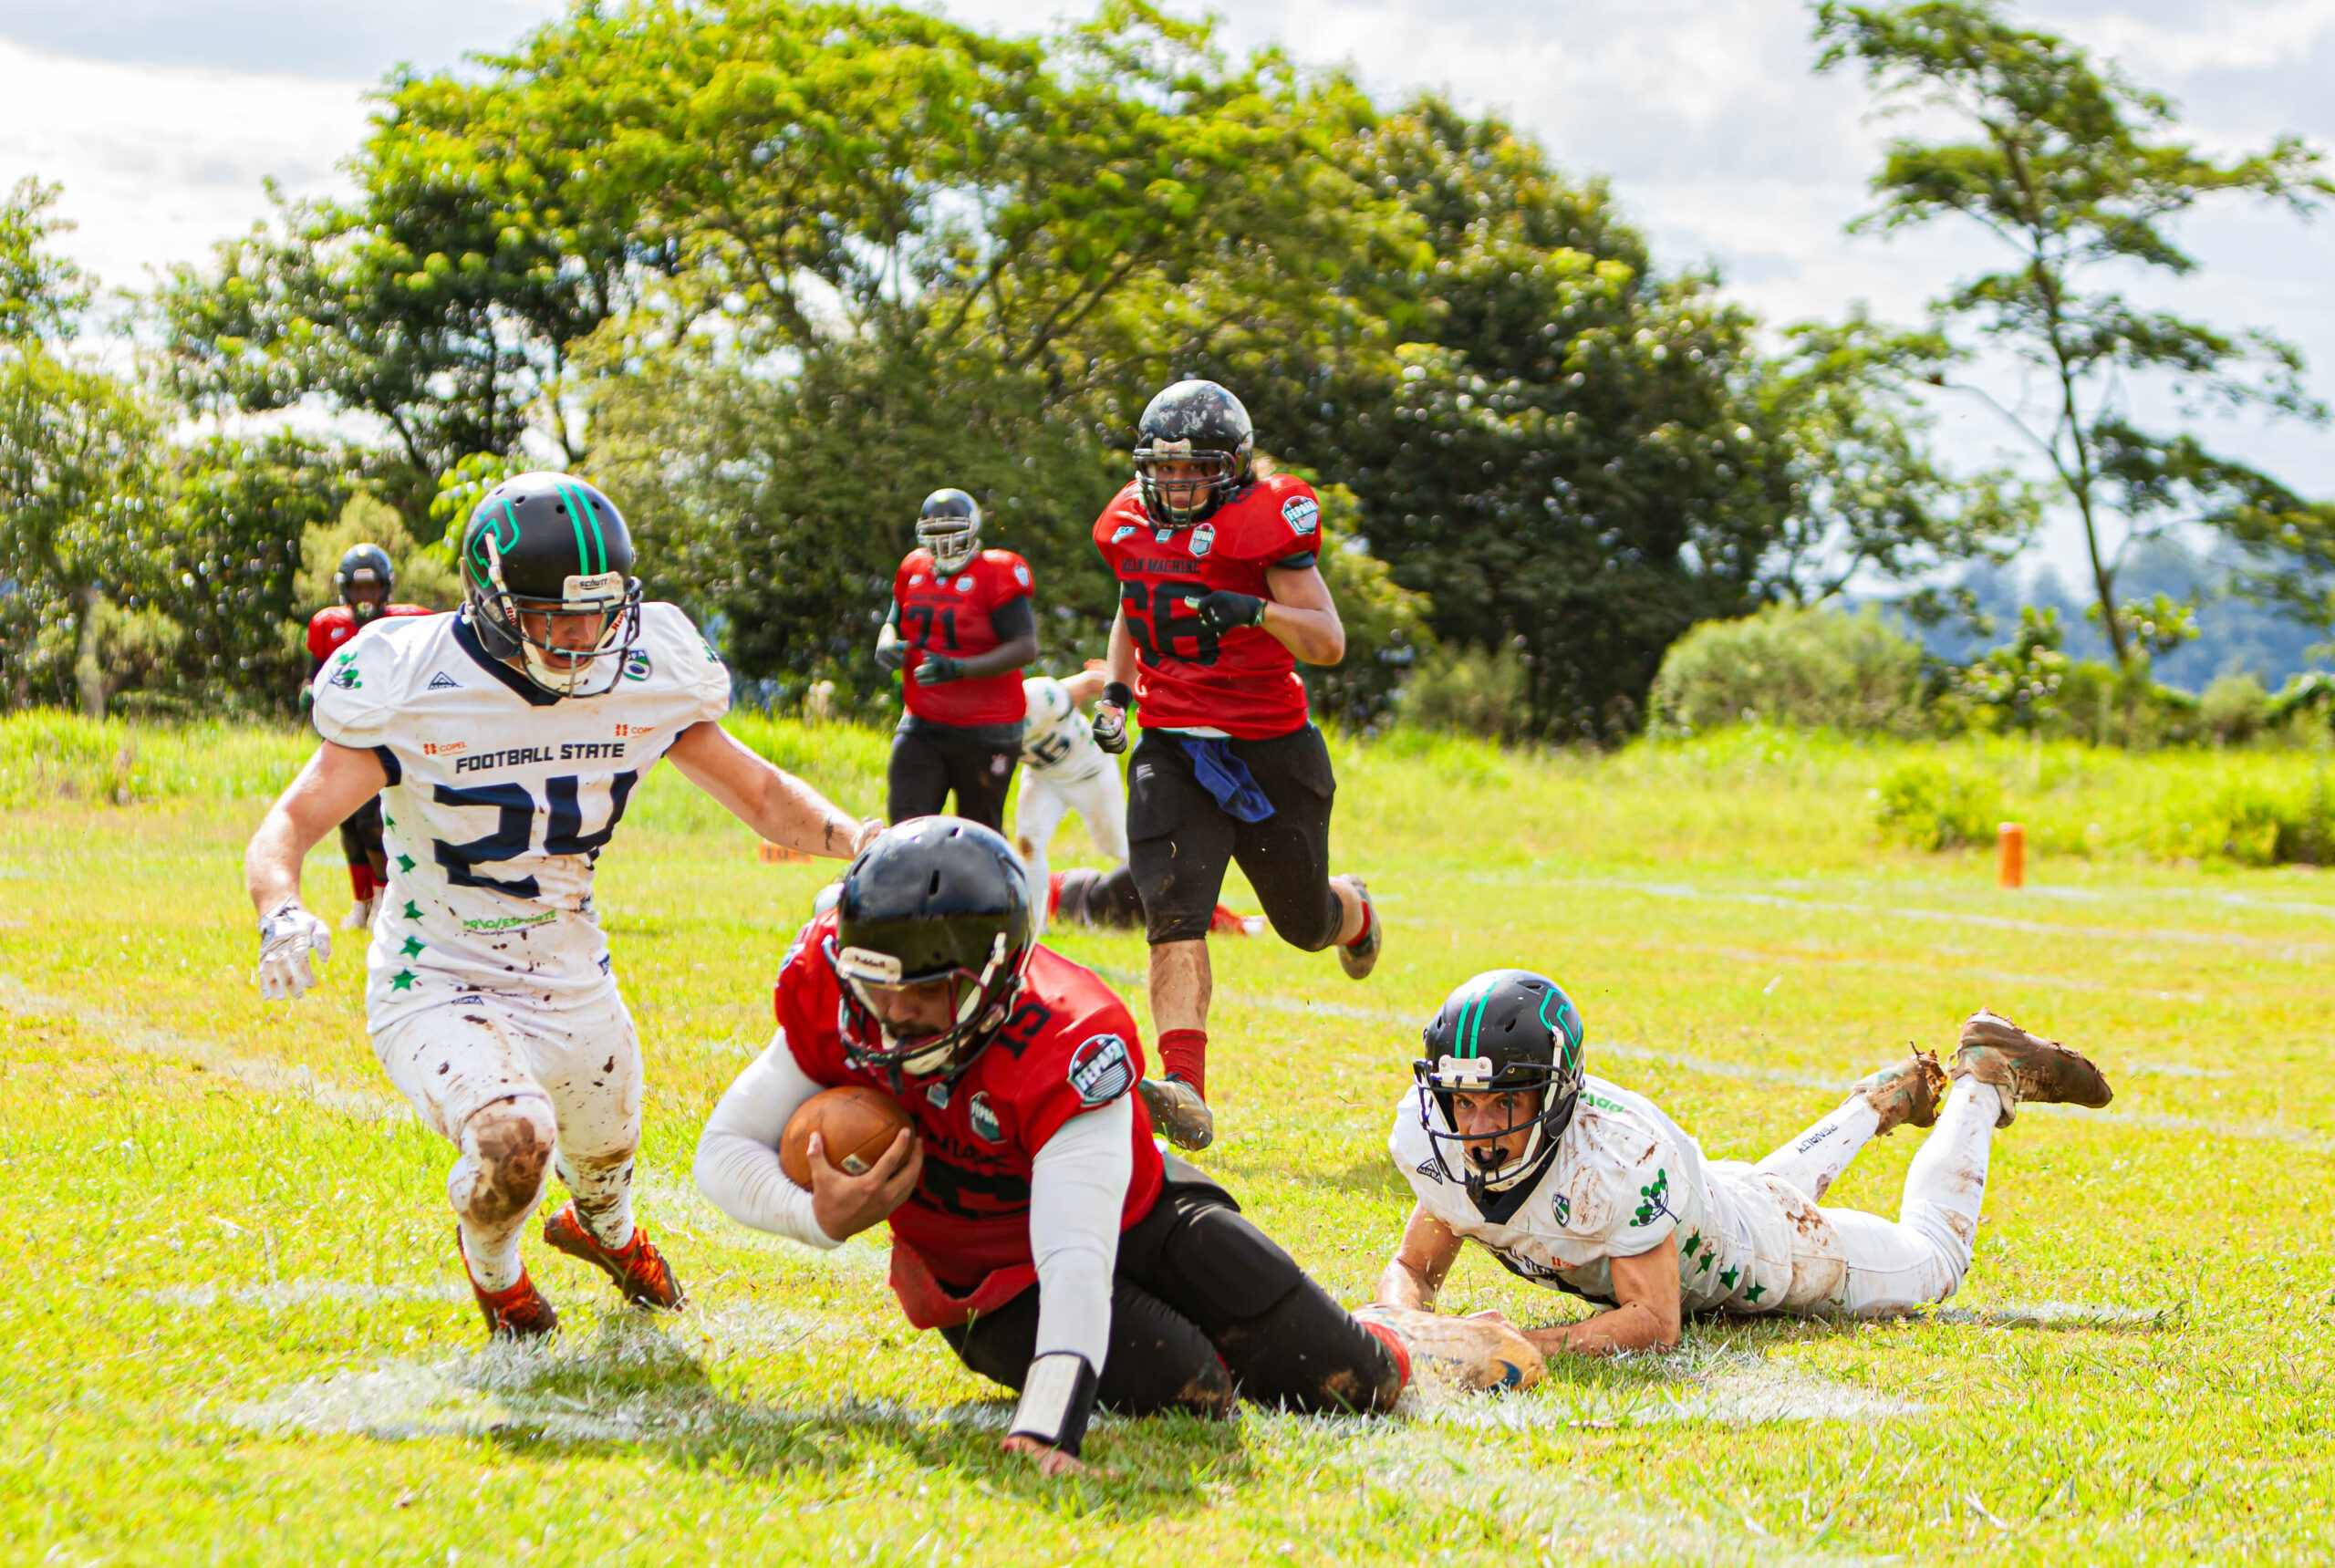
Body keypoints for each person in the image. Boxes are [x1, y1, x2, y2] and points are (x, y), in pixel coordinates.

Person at [692, 819, 1537, 1477]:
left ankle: (1399, 1335)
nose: (881, 1017)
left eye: (911, 995)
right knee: (1198, 1387)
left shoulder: (1067, 1034)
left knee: (1354, 1385)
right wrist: (814, 1212)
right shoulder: (837, 987)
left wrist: (1045, 1425)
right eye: (870, 984)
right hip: (989, 1278)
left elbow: (1076, 1251)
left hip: (1128, 1208)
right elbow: (724, 1149)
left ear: (988, 980)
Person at [244, 471, 881, 1340]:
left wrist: (856, 838)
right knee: (516, 1139)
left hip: (568, 964)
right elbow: (294, 819)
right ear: (494, 601)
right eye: (556, 614)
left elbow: (761, 794)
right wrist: (281, 905)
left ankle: (603, 1231)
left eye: (601, 609)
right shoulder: (411, 676)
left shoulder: (649, 666)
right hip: (438, 970)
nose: (585, 635)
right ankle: (498, 1275)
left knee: (606, 1160)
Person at [1374, 971, 2116, 1354]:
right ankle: (1881, 1100)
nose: (1474, 1128)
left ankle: (1983, 1078)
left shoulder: (1616, 1157)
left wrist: (1511, 1344)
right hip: (1714, 1208)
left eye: (1503, 1102)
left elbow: (1655, 1321)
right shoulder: (1439, 1137)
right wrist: (1408, 1327)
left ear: (1557, 1095)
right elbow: (1414, 1266)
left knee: (1937, 1257)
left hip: (1765, 1253)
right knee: (1748, 1197)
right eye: (1460, 1102)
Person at [1088, 379, 1378, 1151]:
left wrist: (1258, 611)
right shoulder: (1129, 521)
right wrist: (1118, 692)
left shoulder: (1265, 524)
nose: (1178, 484)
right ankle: (1184, 1085)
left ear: (1236, 467)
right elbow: (1132, 601)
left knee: (1301, 920)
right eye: (1167, 469)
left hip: (1268, 749)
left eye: (1196, 470)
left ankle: (1352, 909)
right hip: (1173, 744)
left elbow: (1327, 641)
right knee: (1172, 910)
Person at [875, 488, 1037, 833]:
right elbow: (893, 619)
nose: (944, 543)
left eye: (952, 533)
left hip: (988, 728)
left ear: (973, 530)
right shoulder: (913, 568)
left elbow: (1025, 647)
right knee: (906, 829)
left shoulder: (997, 573)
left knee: (978, 835)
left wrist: (960, 669)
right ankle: (911, 888)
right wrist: (886, 641)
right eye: (935, 534)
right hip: (922, 722)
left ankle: (988, 888)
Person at [302, 543, 432, 929]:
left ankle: (382, 900)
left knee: (371, 822)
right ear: (345, 589)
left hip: (386, 734)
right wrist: (308, 692)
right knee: (347, 824)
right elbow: (313, 673)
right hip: (342, 734)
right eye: (357, 589)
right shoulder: (329, 626)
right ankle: (362, 904)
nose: (364, 597)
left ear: (386, 588)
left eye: (370, 588)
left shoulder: (408, 622)